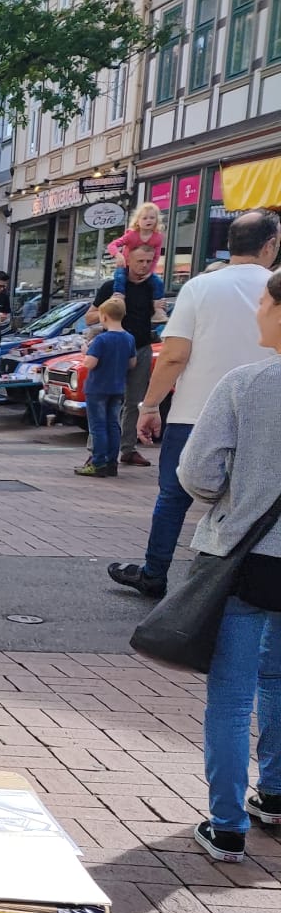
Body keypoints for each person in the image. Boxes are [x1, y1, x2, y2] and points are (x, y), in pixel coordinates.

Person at [110, 209, 281, 598]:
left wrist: (150, 406)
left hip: (194, 412)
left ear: (230, 243)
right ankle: (233, 581)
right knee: (258, 500)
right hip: (267, 415)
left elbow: (174, 355)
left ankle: (155, 571)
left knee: (174, 495)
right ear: (270, 245)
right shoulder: (274, 287)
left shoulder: (200, 287)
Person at [178, 267, 281, 862]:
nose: (258, 309)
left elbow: (198, 472)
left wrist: (231, 499)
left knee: (233, 692)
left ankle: (226, 823)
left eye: (264, 301)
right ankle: (276, 793)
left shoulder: (246, 384)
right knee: (280, 678)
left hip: (249, 556)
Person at [93, 243, 164, 467]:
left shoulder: (153, 287)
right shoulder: (112, 286)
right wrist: (108, 313)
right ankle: (96, 452)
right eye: (139, 261)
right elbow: (90, 317)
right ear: (128, 260)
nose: (144, 266)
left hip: (141, 346)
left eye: (149, 261)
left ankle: (128, 449)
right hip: (114, 350)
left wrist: (158, 311)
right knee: (105, 398)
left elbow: (156, 316)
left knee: (134, 401)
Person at [75, 298, 134, 478]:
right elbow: (132, 363)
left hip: (97, 387)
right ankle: (111, 463)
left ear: (104, 317)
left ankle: (98, 463)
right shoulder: (129, 338)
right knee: (113, 425)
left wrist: (86, 351)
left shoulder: (101, 339)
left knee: (98, 426)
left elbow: (90, 363)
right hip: (117, 387)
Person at [106, 201, 167, 281]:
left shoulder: (157, 238)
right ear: (138, 221)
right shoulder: (131, 235)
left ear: (157, 220)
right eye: (145, 218)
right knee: (120, 279)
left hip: (144, 269)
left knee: (158, 283)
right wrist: (118, 255)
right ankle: (119, 289)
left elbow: (156, 257)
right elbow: (111, 245)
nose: (149, 220)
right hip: (126, 267)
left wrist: (150, 272)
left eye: (152, 218)